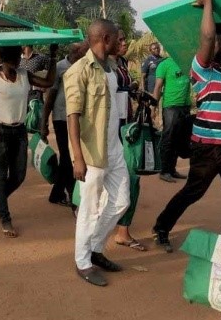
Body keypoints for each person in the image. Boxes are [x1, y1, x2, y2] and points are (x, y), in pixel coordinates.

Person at [152, 0, 221, 253]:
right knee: (194, 191)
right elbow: (207, 35)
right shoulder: (200, 67)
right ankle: (161, 227)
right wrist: (207, 3)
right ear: (212, 45)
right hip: (207, 146)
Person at [65, 19, 131, 287]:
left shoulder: (111, 67)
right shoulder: (79, 71)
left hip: (113, 147)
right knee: (90, 209)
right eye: (117, 38)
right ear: (105, 38)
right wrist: (77, 157)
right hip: (92, 152)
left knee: (121, 200)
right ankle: (83, 262)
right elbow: (72, 116)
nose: (121, 41)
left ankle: (94, 248)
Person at [0, 44, 57, 237]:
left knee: (19, 175)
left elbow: (49, 82)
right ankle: (5, 217)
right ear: (4, 58)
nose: (18, 60)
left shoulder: (24, 75)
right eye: (15, 58)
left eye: (18, 57)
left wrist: (52, 55)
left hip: (19, 131)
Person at [41, 42, 87, 207]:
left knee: (70, 159)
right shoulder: (60, 67)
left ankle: (57, 193)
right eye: (84, 49)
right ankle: (72, 197)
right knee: (68, 158)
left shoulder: (85, 66)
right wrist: (44, 122)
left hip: (79, 119)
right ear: (76, 51)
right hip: (61, 118)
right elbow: (50, 96)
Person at [112, 34, 145, 251]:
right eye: (120, 39)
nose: (125, 43)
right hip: (110, 130)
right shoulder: (103, 67)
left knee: (131, 178)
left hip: (125, 127)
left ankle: (122, 230)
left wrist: (133, 90)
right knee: (125, 178)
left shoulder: (121, 63)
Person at [152, 54, 192, 182]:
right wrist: (154, 107)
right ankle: (164, 171)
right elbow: (158, 87)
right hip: (171, 106)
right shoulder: (165, 64)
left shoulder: (188, 63)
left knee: (179, 139)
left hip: (185, 106)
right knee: (168, 138)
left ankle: (172, 169)